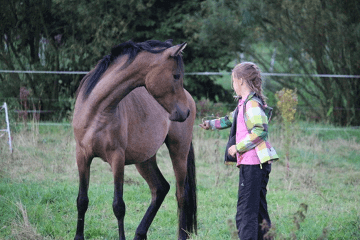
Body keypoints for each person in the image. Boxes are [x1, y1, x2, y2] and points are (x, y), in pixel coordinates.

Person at [199, 62, 279, 240]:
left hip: (253, 164)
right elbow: (230, 119)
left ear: (241, 81)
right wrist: (210, 124)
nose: (232, 85)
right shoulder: (244, 104)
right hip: (257, 164)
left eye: (233, 81)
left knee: (245, 213)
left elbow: (261, 130)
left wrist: (238, 146)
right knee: (258, 210)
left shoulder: (251, 105)